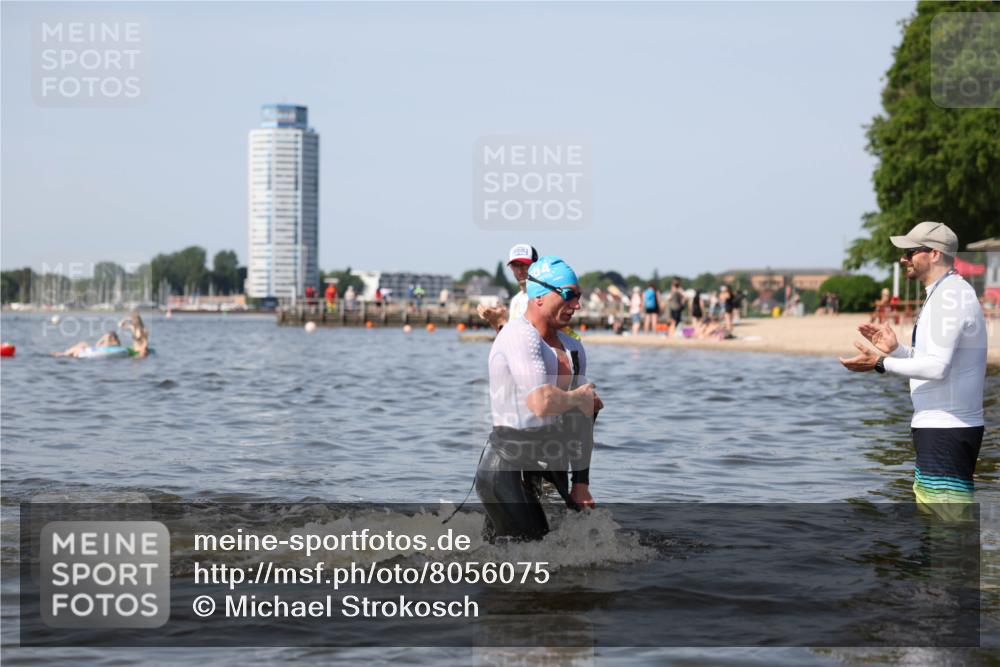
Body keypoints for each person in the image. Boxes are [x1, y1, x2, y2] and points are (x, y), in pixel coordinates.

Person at [840, 222, 986, 517]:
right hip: (939, 427)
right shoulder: (943, 292)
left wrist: (880, 363)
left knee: (949, 535)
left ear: (934, 253)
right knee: (937, 531)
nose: (903, 259)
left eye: (910, 252)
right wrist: (898, 351)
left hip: (947, 428)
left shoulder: (950, 297)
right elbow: (936, 358)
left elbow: (938, 367)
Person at [475, 256, 602, 542]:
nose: (577, 305)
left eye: (579, 296)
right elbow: (541, 403)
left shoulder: (574, 349)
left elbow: (581, 419)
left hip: (545, 470)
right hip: (505, 467)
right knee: (537, 561)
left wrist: (580, 483)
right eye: (569, 296)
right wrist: (579, 398)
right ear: (540, 296)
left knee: (533, 556)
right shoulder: (518, 335)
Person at [478, 244, 539, 332]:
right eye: (515, 265)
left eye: (524, 265)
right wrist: (494, 320)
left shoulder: (541, 297)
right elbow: (508, 342)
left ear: (536, 265)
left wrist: (500, 320)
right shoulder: (515, 299)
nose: (519, 271)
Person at [54, 331, 125, 358]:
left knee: (78, 349)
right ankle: (66, 352)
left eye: (110, 336)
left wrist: (106, 338)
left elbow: (106, 346)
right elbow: (97, 345)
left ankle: (62, 354)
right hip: (95, 350)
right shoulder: (107, 340)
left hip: (97, 351)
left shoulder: (115, 342)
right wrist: (102, 338)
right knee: (83, 343)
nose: (109, 337)